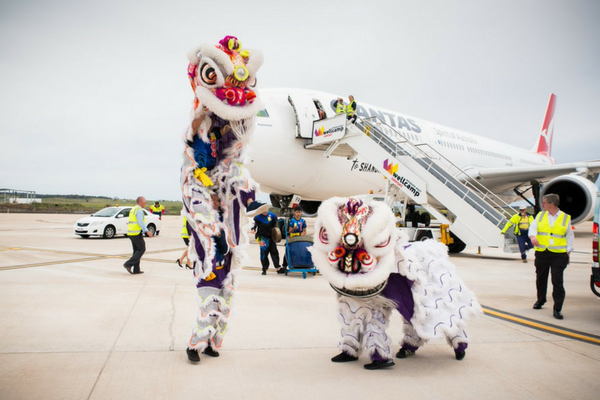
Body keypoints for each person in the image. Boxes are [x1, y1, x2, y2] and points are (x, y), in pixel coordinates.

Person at [528, 193, 573, 320]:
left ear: (551, 204)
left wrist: (568, 250)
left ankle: (557, 308)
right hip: (542, 252)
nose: (542, 205)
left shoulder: (565, 217)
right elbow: (533, 228)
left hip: (559, 254)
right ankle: (540, 300)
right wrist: (533, 237)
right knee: (541, 278)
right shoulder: (541, 215)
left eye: (544, 202)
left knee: (557, 281)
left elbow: (570, 235)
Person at [123, 196, 153, 275]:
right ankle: (128, 264)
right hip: (136, 233)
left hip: (131, 232)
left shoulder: (133, 209)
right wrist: (146, 231)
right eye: (145, 202)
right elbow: (140, 222)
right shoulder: (139, 210)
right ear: (141, 202)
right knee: (141, 249)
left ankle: (136, 269)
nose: (145, 203)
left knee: (136, 251)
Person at [253, 208, 284, 275]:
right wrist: (253, 229)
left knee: (274, 252)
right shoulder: (257, 217)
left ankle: (278, 267)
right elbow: (255, 225)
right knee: (263, 253)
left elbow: (276, 226)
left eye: (266, 209)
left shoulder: (272, 216)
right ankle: (264, 269)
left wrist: (277, 234)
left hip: (271, 237)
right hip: (262, 237)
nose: (265, 211)